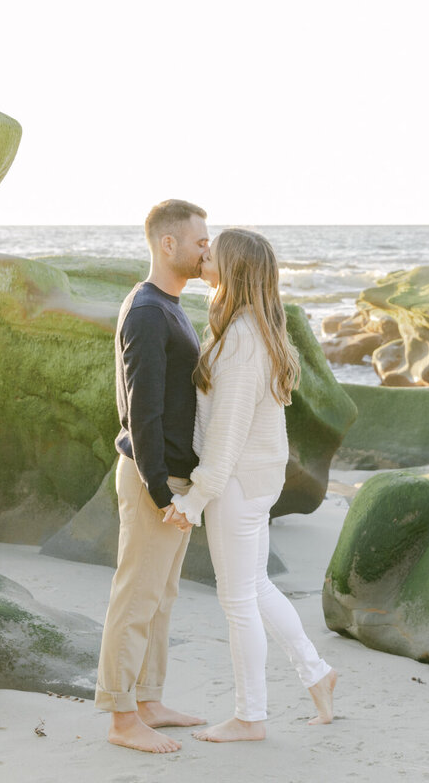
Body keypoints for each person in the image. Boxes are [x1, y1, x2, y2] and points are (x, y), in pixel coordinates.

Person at [165, 227, 337, 742]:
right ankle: (317, 673)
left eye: (212, 251)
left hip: (238, 481)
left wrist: (195, 498)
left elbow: (227, 432)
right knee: (256, 587)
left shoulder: (241, 337)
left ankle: (250, 717)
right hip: (256, 478)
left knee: (237, 600)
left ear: (234, 267)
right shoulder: (242, 326)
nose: (204, 255)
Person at [95, 199, 210, 753]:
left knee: (160, 597)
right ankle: (121, 719)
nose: (205, 249)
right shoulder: (146, 309)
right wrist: (160, 487)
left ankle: (148, 699)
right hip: (153, 478)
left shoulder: (168, 305)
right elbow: (141, 410)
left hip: (173, 478)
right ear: (169, 244)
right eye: (200, 241)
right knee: (136, 597)